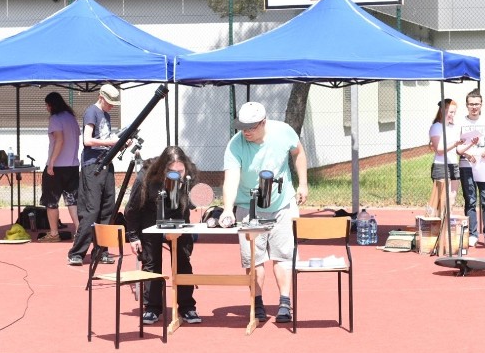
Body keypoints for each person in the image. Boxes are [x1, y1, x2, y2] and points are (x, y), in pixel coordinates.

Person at [217, 102, 308, 323]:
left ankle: (285, 303)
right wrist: (228, 209)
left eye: (251, 127)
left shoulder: (283, 131)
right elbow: (231, 179)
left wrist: (303, 184)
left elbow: (298, 152)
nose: (245, 131)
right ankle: (257, 303)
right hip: (249, 207)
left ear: (263, 122)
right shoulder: (235, 145)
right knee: (253, 259)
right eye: (242, 127)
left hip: (282, 202)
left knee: (283, 255)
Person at [125, 146, 201, 325]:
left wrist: (193, 198)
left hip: (178, 214)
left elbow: (192, 203)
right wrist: (133, 236)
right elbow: (132, 209)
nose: (177, 174)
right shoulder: (146, 176)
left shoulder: (190, 175)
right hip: (150, 215)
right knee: (151, 262)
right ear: (162, 169)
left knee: (183, 259)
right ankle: (152, 307)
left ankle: (187, 307)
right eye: (171, 171)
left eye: (180, 171)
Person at [67, 83, 122, 266]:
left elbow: (106, 138)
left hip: (106, 164)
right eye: (109, 102)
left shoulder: (105, 114)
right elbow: (87, 140)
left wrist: (120, 142)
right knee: (92, 209)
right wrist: (110, 143)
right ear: (101, 97)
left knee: (108, 208)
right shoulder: (92, 112)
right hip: (93, 166)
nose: (112, 106)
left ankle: (102, 250)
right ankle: (77, 252)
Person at [456, 90, 485, 247]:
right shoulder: (460, 123)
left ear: (481, 105)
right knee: (470, 200)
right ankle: (472, 234)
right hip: (466, 166)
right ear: (466, 105)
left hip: (484, 166)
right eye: (471, 104)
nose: (474, 107)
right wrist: (467, 155)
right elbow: (458, 146)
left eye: (477, 104)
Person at [38, 92, 80, 243]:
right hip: (73, 165)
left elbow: (59, 140)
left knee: (51, 201)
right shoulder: (71, 118)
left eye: (47, 105)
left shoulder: (55, 119)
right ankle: (79, 230)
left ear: (51, 105)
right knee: (72, 200)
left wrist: (51, 162)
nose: (46, 108)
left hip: (58, 166)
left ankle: (54, 233)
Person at [428, 98, 466, 210]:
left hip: (453, 165)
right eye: (451, 112)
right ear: (442, 111)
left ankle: (448, 223)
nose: (453, 115)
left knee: (452, 198)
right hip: (441, 165)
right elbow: (439, 149)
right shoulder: (436, 127)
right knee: (442, 200)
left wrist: (470, 144)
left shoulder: (454, 127)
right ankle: (441, 225)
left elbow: (458, 149)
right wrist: (454, 144)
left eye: (454, 112)